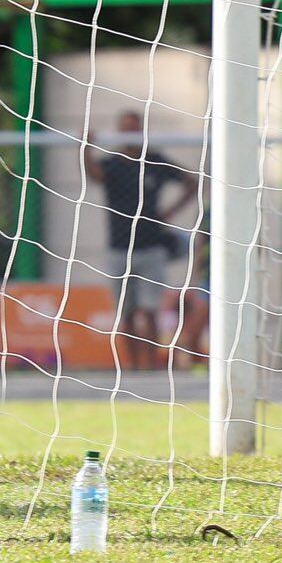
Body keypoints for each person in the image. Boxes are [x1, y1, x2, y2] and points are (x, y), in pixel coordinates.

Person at [85, 111, 198, 370]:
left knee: (149, 311)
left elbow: (190, 181)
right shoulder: (113, 165)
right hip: (119, 249)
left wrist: (171, 212)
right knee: (126, 313)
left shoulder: (154, 162)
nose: (129, 134)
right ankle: (132, 366)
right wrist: (85, 149)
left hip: (151, 248)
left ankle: (150, 365)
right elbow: (94, 174)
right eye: (125, 128)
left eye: (134, 129)